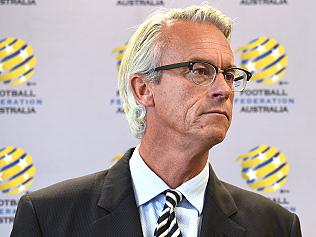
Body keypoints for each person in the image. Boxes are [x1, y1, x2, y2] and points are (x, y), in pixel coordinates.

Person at [11, 4, 301, 237]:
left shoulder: (275, 226)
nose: (223, 89)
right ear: (144, 89)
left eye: (228, 74)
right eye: (200, 71)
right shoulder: (48, 218)